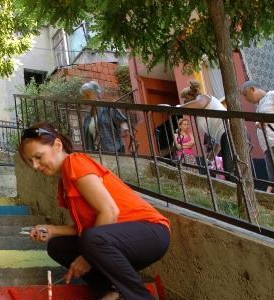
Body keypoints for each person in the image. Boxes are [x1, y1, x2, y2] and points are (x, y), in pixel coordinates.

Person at [19, 123, 170, 300]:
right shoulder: (64, 182)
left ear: (57, 146)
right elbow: (85, 228)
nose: (35, 166)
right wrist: (52, 230)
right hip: (113, 239)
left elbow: (110, 211)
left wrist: (87, 258)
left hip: (151, 232)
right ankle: (111, 289)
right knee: (58, 247)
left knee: (90, 241)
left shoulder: (75, 162)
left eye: (38, 157)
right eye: (31, 161)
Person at [177, 80, 234, 177]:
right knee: (230, 171)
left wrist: (179, 107)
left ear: (192, 96)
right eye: (184, 101)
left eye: (186, 100)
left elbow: (198, 103)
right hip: (226, 135)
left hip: (230, 132)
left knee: (230, 172)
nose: (185, 103)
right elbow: (219, 140)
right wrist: (210, 159)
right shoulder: (203, 111)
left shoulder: (203, 97)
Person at [80, 81, 129, 153]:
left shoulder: (108, 108)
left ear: (97, 93)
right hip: (95, 153)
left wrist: (124, 127)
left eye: (88, 94)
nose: (86, 98)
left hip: (112, 150)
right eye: (84, 96)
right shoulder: (87, 117)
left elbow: (122, 120)